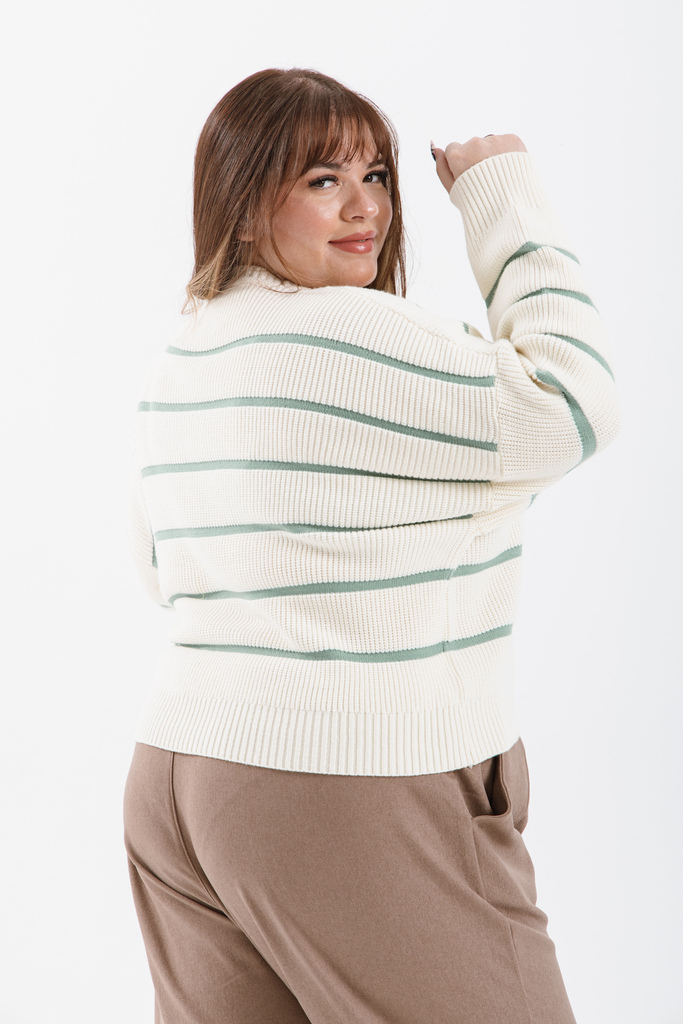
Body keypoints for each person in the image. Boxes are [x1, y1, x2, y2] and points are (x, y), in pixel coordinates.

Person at [123, 67, 620, 1024]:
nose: (367, 209)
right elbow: (571, 406)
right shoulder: (346, 331)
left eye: (376, 175)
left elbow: (160, 564)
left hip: (181, 777)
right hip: (339, 781)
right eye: (323, 180)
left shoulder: (191, 347)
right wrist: (504, 200)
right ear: (243, 198)